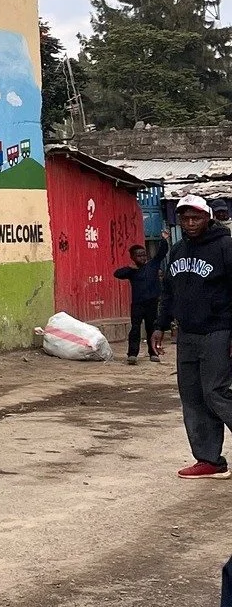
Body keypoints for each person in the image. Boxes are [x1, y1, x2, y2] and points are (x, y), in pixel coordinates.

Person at [151, 194, 232, 478]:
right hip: (187, 334)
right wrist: (160, 325)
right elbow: (169, 292)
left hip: (218, 331)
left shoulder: (225, 246)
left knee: (216, 392)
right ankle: (210, 460)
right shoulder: (177, 249)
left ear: (207, 217)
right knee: (192, 396)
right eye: (185, 218)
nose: (190, 223)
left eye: (195, 217)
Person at [113, 234, 168, 365]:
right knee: (135, 329)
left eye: (144, 255)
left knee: (151, 329)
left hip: (152, 303)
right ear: (133, 257)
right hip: (137, 304)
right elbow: (117, 274)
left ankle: (153, 353)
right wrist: (129, 268)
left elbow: (162, 252)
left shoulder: (152, 265)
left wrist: (164, 239)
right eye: (139, 256)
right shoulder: (132, 271)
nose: (143, 258)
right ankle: (132, 354)